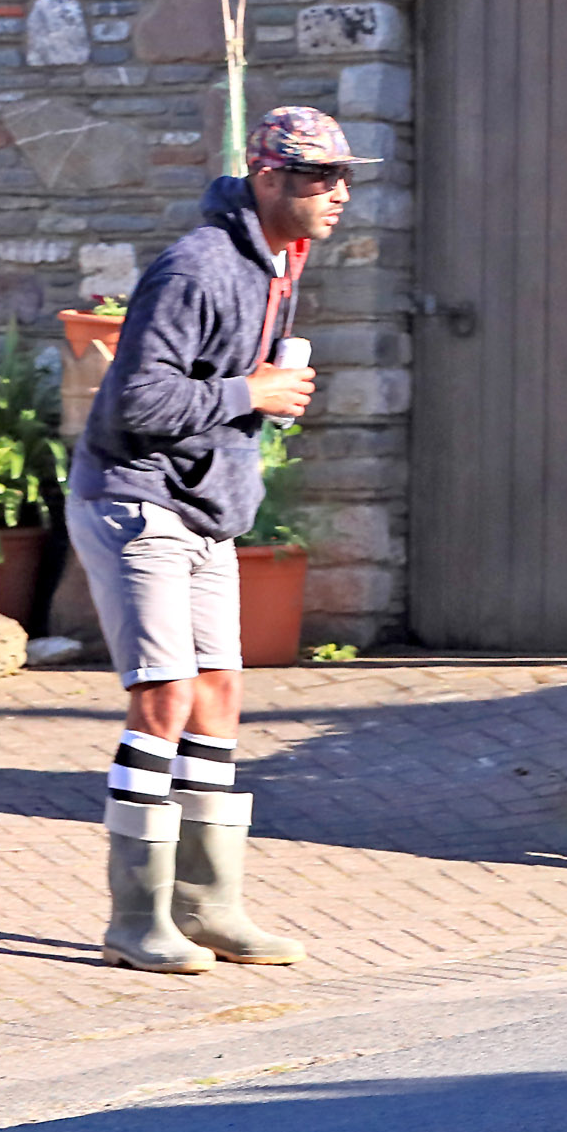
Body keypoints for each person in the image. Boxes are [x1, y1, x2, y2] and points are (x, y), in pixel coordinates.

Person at [67, 107, 375, 972]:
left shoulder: (281, 261)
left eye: (345, 176)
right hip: (134, 498)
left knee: (218, 697)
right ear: (267, 176)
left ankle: (209, 906)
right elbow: (135, 403)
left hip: (202, 509)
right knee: (162, 697)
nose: (339, 192)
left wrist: (254, 406)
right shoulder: (197, 266)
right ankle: (136, 919)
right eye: (320, 176)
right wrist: (253, 392)